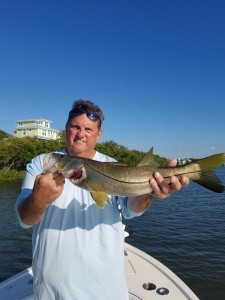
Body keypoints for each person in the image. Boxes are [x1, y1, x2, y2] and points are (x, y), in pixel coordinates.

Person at [15, 99, 189, 300]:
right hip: (51, 292)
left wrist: (150, 192)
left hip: (105, 291)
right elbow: (24, 220)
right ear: (65, 129)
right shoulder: (44, 162)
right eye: (75, 127)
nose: (81, 134)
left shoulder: (113, 165)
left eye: (89, 129)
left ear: (99, 134)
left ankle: (197, 171)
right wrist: (38, 199)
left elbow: (129, 210)